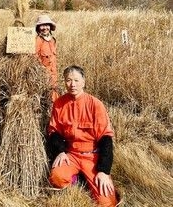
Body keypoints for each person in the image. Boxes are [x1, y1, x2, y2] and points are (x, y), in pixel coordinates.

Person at [47, 65, 118, 207]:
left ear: (83, 82)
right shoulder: (59, 104)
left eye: (76, 80)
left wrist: (103, 171)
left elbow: (106, 138)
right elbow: (53, 131)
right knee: (56, 178)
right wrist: (60, 151)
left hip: (92, 157)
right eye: (68, 80)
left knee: (107, 202)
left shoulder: (95, 105)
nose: (72, 84)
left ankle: (89, 178)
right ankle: (76, 178)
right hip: (71, 155)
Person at [35, 14, 59, 101]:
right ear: (38, 28)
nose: (45, 28)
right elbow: (34, 60)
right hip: (43, 78)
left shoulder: (53, 40)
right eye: (42, 25)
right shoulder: (37, 41)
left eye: (47, 25)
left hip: (54, 78)